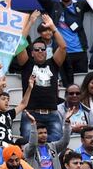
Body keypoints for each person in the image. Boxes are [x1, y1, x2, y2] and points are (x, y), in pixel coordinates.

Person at [15, 14, 67, 142]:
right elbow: (19, 44)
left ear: (46, 51)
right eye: (36, 49)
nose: (39, 51)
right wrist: (30, 22)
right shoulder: (27, 63)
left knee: (57, 145)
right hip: (30, 113)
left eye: (42, 49)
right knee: (28, 145)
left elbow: (63, 47)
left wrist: (52, 27)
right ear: (31, 52)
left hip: (52, 113)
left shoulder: (53, 63)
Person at [34, 0, 92, 86]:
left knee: (81, 85)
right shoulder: (54, 6)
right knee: (64, 86)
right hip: (62, 53)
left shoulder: (80, 5)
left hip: (80, 53)